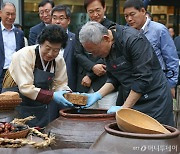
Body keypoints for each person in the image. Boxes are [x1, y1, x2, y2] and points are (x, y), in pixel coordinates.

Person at [78, 21, 174, 127]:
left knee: (156, 138)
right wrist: (97, 95)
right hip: (132, 100)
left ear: (106, 38)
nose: (95, 56)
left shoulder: (134, 40)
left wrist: (124, 108)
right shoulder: (107, 48)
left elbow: (142, 79)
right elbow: (114, 78)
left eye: (95, 51)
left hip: (155, 100)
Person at [2, 24, 74, 127]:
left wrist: (67, 94)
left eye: (56, 50)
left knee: (40, 136)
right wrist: (53, 95)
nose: (50, 54)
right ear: (40, 43)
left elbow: (60, 84)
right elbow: (25, 87)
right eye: (48, 48)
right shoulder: (24, 55)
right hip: (16, 105)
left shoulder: (58, 60)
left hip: (39, 107)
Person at [123, 0, 179, 98]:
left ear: (143, 11)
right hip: (135, 85)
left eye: (132, 14)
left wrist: (170, 85)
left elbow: (171, 60)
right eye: (126, 16)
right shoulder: (126, 33)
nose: (129, 19)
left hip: (158, 85)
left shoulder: (159, 30)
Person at [74, 0, 118, 109]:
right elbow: (78, 53)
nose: (95, 14)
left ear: (104, 8)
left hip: (107, 82)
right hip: (84, 83)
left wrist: (90, 75)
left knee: (106, 118)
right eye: (91, 11)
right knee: (86, 119)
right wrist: (92, 67)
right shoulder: (81, 30)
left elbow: (111, 53)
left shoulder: (113, 28)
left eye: (98, 10)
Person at [51, 5, 77, 91]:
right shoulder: (44, 38)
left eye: (61, 18)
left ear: (68, 20)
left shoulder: (75, 39)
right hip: (49, 85)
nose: (57, 21)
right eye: (54, 18)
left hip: (69, 85)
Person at [0, 2, 25, 93]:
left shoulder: (19, 33)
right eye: (8, 14)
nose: (10, 17)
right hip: (1, 72)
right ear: (0, 13)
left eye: (13, 14)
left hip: (14, 73)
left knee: (12, 101)